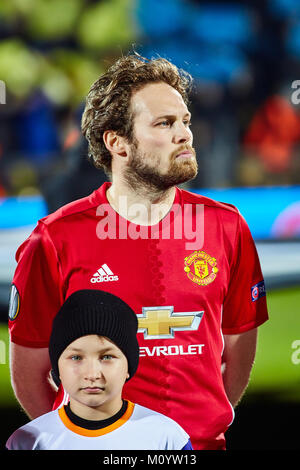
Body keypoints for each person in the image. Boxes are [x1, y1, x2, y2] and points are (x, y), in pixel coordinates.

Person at [8, 53, 269, 450]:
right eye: (165, 123)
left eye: (185, 121)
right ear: (117, 142)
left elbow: (238, 347)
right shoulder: (54, 239)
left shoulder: (227, 227)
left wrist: (196, 432)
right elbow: (29, 371)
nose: (184, 135)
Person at [6, 289, 192, 450]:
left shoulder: (167, 437)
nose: (92, 374)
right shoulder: (27, 441)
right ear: (57, 368)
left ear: (129, 365)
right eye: (76, 358)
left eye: (107, 357)